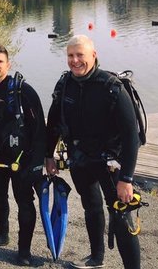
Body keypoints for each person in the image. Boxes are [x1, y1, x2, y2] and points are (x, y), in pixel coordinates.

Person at [45, 35, 141, 269]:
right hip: (80, 159)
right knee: (91, 207)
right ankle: (96, 258)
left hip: (110, 163)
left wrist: (127, 179)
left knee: (120, 215)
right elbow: (53, 124)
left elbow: (131, 137)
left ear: (93, 55)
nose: (75, 61)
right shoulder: (64, 84)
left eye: (80, 55)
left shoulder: (111, 87)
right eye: (70, 56)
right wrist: (48, 156)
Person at [0, 44, 46, 266]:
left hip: (22, 160)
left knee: (24, 202)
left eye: (0, 62)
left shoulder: (24, 92)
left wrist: (38, 162)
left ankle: (24, 251)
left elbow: (40, 129)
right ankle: (2, 234)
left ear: (8, 65)